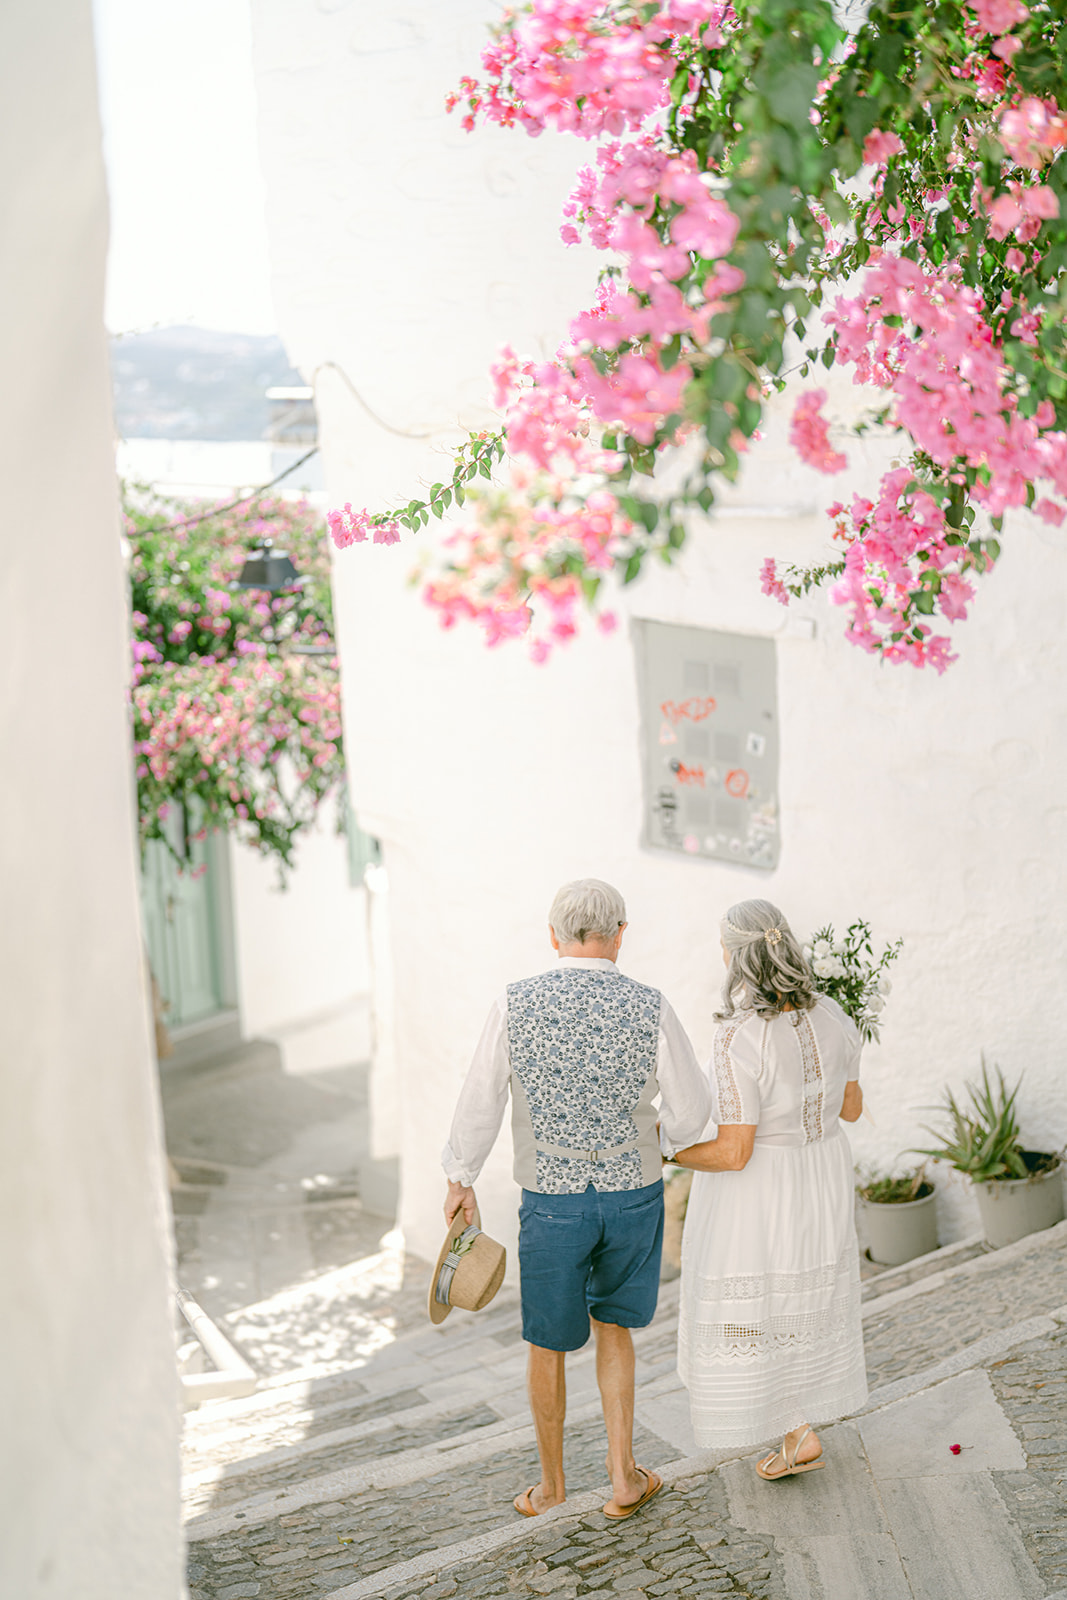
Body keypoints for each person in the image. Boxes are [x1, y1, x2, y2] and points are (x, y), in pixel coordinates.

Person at [442, 878, 711, 1519]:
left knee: (547, 1341)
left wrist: (460, 1176)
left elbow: (482, 1098)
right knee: (614, 1327)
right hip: (632, 1193)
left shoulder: (516, 1003)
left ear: (554, 936)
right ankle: (623, 1477)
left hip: (553, 1198)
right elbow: (693, 1110)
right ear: (620, 935)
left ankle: (553, 1487)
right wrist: (665, 1146)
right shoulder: (651, 1006)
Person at [672, 897, 868, 1479]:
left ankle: (794, 1429)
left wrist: (668, 1151)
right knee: (806, 1300)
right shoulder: (835, 1014)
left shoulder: (740, 1037)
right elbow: (852, 1110)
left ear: (734, 956)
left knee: (757, 1308)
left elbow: (734, 1151)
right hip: (823, 1173)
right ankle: (796, 1425)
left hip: (760, 1189)